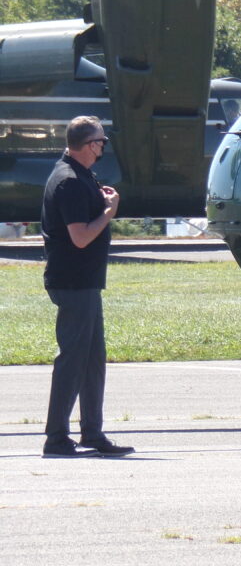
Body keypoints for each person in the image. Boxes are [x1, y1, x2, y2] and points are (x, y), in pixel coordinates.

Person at [41, 116, 134, 457]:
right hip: (73, 282)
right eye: (101, 142)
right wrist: (108, 212)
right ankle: (56, 438)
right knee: (73, 360)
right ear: (88, 145)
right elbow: (80, 238)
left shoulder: (79, 175)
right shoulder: (68, 181)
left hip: (85, 282)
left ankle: (92, 433)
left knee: (93, 360)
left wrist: (102, 202)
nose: (103, 148)